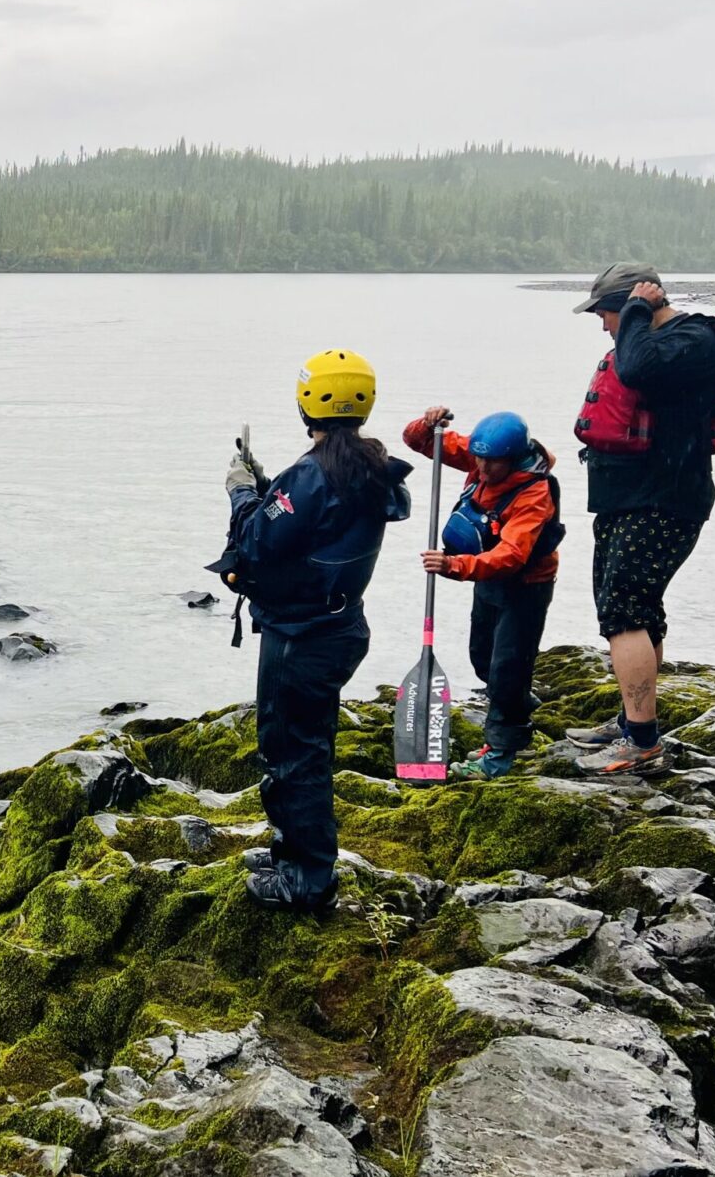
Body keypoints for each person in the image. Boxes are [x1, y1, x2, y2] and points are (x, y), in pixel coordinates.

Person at [219, 349, 412, 914]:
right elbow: (316, 520)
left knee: (290, 752)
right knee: (307, 744)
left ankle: (306, 879)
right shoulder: (371, 467)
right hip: (340, 626)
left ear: (307, 403)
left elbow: (257, 541)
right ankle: (294, 853)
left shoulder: (313, 473)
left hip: (301, 635)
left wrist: (241, 490)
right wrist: (267, 487)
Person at [566, 262, 715, 777]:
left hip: (663, 500)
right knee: (633, 610)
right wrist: (636, 317)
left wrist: (635, 313)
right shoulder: (653, 341)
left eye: (606, 315)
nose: (605, 327)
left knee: (625, 613)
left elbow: (637, 371)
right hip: (629, 498)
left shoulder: (694, 341)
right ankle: (632, 720)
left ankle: (642, 742)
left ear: (630, 306)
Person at [403, 408, 563, 779]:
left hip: (526, 587)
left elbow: (512, 555)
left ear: (514, 458)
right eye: (478, 459)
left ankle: (499, 754)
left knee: (506, 669)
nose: (483, 469)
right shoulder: (483, 458)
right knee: (483, 658)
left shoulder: (535, 492)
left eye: (492, 463)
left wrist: (453, 565)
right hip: (488, 577)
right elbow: (419, 441)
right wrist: (428, 424)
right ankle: (518, 706)